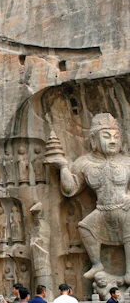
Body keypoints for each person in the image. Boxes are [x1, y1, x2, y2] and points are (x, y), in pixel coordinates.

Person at [46, 113, 130, 282]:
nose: (112, 141)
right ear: (93, 139)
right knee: (85, 227)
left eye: (116, 136)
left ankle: (129, 272)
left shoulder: (127, 161)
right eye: (106, 136)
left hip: (125, 208)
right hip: (102, 210)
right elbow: (71, 188)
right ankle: (97, 264)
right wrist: (63, 167)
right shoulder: (85, 162)